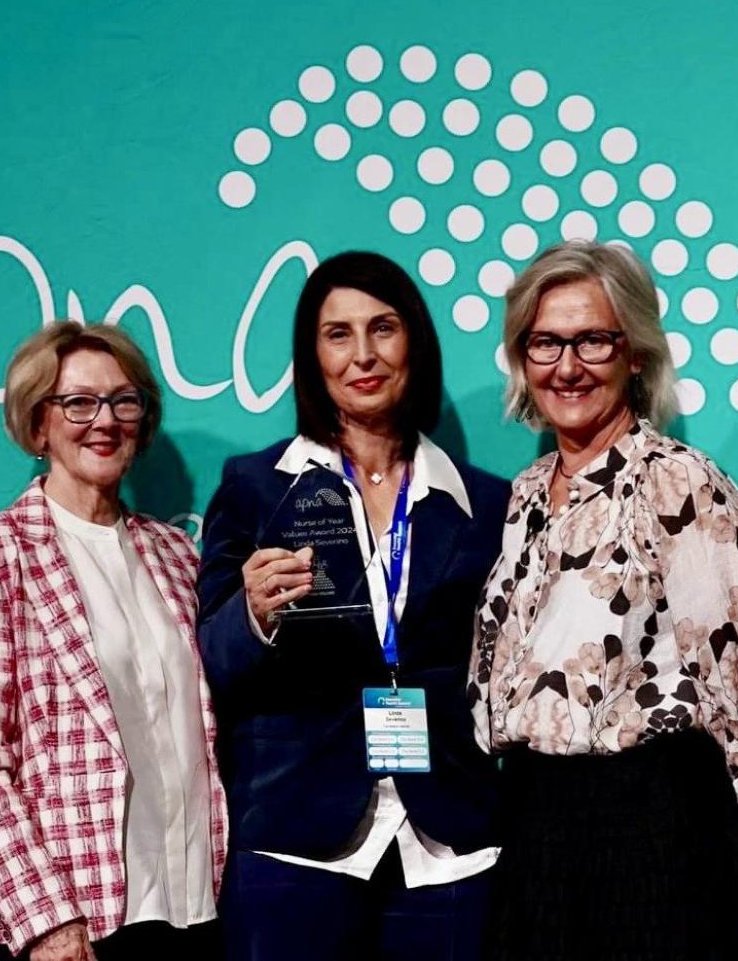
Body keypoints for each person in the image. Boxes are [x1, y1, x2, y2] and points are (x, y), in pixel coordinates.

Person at [471, 241, 738, 960]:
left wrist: (713, 816)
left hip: (654, 827)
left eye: (593, 339)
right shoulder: (527, 495)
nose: (567, 366)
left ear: (635, 354)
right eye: (545, 343)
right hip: (539, 824)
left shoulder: (677, 483)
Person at [197, 251, 506, 960]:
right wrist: (255, 616)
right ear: (313, 355)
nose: (362, 354)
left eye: (383, 328)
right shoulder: (255, 488)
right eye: (338, 334)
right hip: (296, 836)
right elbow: (213, 659)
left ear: (415, 344)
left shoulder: (486, 502)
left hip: (448, 840)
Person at [0, 322, 227, 960]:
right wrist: (44, 920)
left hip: (196, 903)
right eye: (78, 403)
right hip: (77, 918)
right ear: (39, 425)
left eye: (124, 401)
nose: (105, 420)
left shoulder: (177, 554)